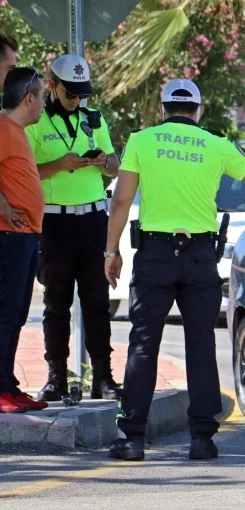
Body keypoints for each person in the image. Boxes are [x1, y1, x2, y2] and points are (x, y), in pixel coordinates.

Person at [104, 78, 245, 461]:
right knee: (201, 344)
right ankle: (202, 439)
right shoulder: (216, 145)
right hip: (201, 256)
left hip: (154, 254)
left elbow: (121, 200)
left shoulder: (141, 141)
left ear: (163, 108)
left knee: (143, 343)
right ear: (198, 110)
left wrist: (111, 252)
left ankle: (133, 438)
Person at [24, 54, 121, 402]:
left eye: (82, 92)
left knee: (97, 302)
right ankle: (56, 377)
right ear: (52, 85)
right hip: (55, 222)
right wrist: (59, 165)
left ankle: (104, 377)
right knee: (56, 303)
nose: (77, 98)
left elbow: (114, 166)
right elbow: (27, 172)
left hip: (93, 220)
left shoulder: (94, 119)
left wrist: (104, 161)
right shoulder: (35, 122)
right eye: (70, 92)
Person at [0, 68, 48, 413]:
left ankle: (8, 385)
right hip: (9, 237)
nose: (44, 104)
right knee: (5, 313)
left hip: (27, 235)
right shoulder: (2, 128)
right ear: (28, 98)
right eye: (43, 96)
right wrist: (3, 206)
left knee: (16, 314)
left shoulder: (17, 131)